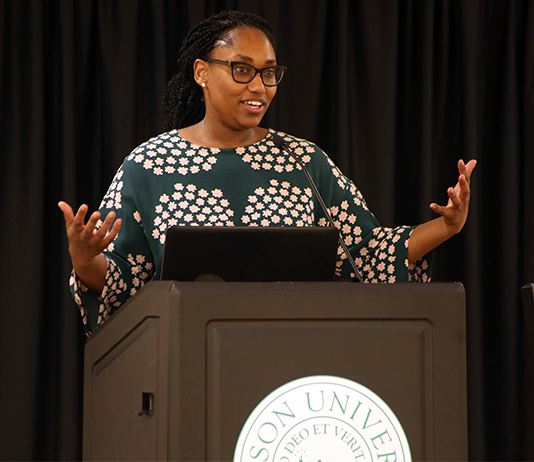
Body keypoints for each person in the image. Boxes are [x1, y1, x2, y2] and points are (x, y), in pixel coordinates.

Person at [58, 10, 476, 336]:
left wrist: (446, 226)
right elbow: (118, 284)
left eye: (270, 72)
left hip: (294, 363)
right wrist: (83, 258)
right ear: (202, 72)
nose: (260, 86)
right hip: (187, 360)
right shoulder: (149, 165)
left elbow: (368, 256)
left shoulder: (302, 160)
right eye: (242, 69)